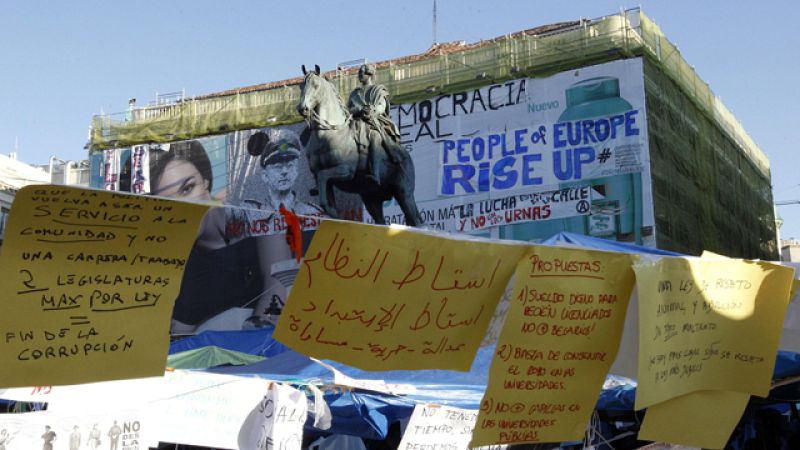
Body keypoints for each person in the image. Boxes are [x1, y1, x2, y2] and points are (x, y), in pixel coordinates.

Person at [149, 141, 229, 334]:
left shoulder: (247, 211)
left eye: (187, 189)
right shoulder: (182, 265)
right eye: (168, 204)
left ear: (206, 182)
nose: (183, 209)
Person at [347, 63, 404, 185]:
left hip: (373, 121)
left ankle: (375, 173)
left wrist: (372, 111)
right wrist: (358, 110)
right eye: (359, 73)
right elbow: (349, 109)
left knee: (375, 136)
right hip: (356, 122)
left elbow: (381, 106)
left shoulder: (378, 90)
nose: (359, 75)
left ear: (369, 74)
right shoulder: (355, 93)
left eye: (361, 72)